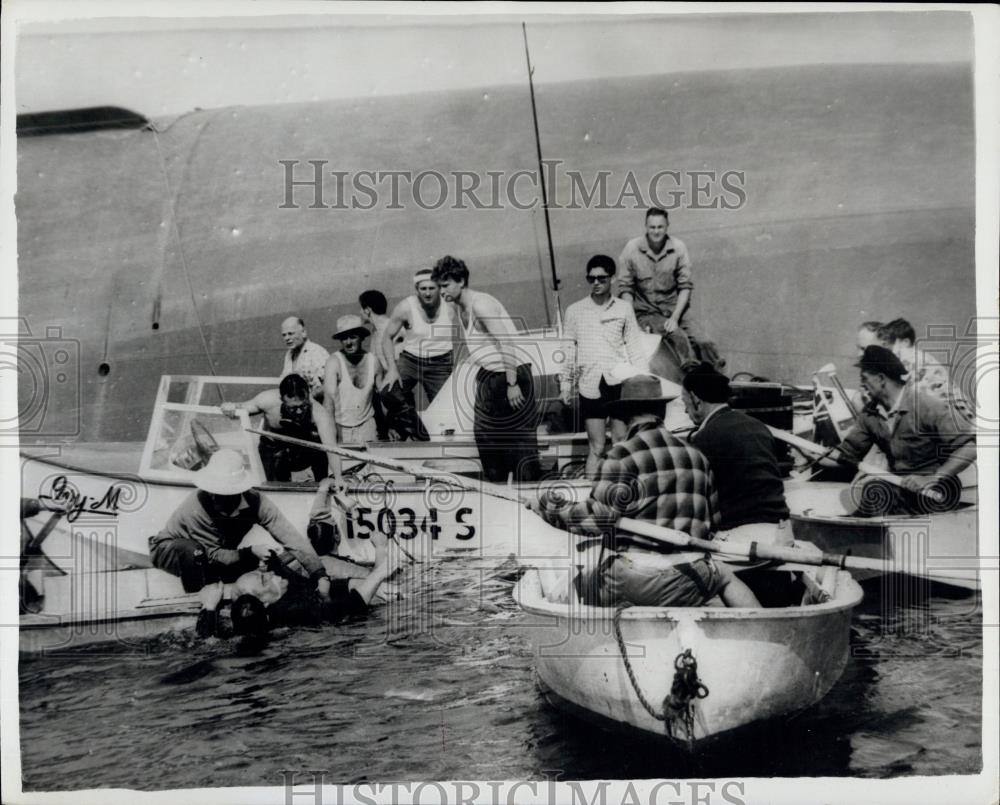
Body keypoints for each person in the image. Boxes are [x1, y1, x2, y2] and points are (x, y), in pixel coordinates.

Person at [532, 374, 759, 609]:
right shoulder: (697, 456)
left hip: (636, 579)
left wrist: (548, 506)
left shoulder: (621, 456)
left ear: (624, 416)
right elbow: (712, 524)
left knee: (579, 582)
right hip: (691, 577)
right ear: (661, 413)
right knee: (724, 576)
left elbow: (594, 521)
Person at [148, 448, 332, 637]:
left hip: (215, 555)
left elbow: (291, 538)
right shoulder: (195, 507)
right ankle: (201, 603)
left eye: (221, 493)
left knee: (272, 559)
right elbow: (213, 555)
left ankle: (310, 604)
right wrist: (250, 551)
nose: (214, 497)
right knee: (194, 551)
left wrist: (319, 574)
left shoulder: (256, 501)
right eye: (213, 491)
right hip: (172, 551)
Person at [432, 255, 542, 483]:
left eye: (445, 285)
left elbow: (506, 342)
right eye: (439, 287)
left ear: (461, 281)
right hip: (489, 376)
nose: (441, 292)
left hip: (513, 373)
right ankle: (498, 494)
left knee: (521, 448)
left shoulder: (481, 305)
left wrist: (512, 384)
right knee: (486, 439)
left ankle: (529, 500)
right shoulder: (457, 307)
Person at [828, 345, 976, 514]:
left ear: (881, 379)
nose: (862, 385)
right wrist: (806, 452)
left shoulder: (925, 404)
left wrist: (932, 478)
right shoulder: (870, 414)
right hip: (899, 488)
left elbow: (970, 448)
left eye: (864, 379)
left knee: (879, 496)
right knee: (875, 492)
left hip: (936, 491)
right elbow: (845, 455)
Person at [681, 364, 791, 546]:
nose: (686, 411)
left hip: (743, 537)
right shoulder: (758, 426)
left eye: (685, 404)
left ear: (695, 399)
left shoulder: (704, 438)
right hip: (782, 530)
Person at [560, 254, 647, 478]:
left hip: (618, 384)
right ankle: (590, 496)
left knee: (621, 443)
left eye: (601, 278)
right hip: (589, 385)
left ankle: (623, 492)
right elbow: (568, 352)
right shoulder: (574, 311)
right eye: (591, 279)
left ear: (613, 279)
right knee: (597, 447)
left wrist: (643, 383)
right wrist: (565, 385)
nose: (596, 283)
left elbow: (635, 348)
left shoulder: (624, 308)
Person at [618, 207, 723, 370]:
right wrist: (631, 321)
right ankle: (691, 374)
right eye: (652, 227)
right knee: (678, 336)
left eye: (660, 227)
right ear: (646, 227)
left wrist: (675, 318)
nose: (656, 231)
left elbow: (685, 287)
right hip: (648, 312)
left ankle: (716, 379)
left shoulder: (679, 247)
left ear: (667, 226)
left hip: (675, 308)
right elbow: (626, 288)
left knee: (704, 342)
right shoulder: (632, 248)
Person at [378, 269, 457, 441]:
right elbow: (386, 338)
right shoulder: (406, 307)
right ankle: (417, 428)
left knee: (446, 410)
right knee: (387, 392)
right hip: (411, 359)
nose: (428, 293)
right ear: (416, 289)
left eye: (432, 288)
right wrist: (392, 369)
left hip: (440, 363)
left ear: (439, 288)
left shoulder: (450, 304)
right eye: (423, 289)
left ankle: (440, 445)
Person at [222, 373, 338, 483]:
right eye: (292, 408)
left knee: (320, 445)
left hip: (302, 453)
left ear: (308, 397)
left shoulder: (319, 414)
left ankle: (323, 484)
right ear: (282, 399)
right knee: (274, 457)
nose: (298, 412)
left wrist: (339, 478)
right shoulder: (266, 400)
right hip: (274, 453)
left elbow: (332, 449)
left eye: (303, 406)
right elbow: (240, 409)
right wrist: (230, 407)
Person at [323, 314, 384, 444]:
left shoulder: (374, 361)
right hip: (341, 428)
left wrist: (388, 427)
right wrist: (334, 437)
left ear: (361, 337)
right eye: (344, 338)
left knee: (373, 463)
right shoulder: (333, 362)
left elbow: (383, 399)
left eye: (353, 337)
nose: (348, 342)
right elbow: (328, 404)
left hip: (368, 426)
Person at [877, 317, 952, 400]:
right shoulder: (921, 358)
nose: (887, 354)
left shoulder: (911, 360)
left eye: (890, 348)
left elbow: (906, 396)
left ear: (905, 343)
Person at [279, 316, 329, 399]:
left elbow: (330, 384)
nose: (287, 338)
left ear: (303, 333)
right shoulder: (289, 354)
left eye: (291, 333)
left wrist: (309, 398)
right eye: (284, 335)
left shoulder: (316, 352)